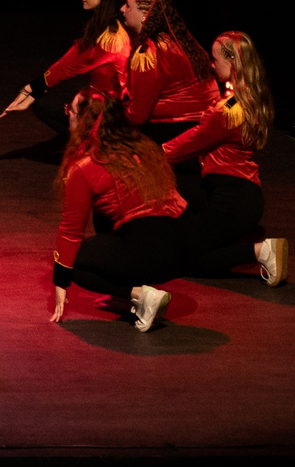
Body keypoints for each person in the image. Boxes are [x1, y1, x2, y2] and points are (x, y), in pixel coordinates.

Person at [51, 92, 192, 331]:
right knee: (112, 223)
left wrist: (60, 283)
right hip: (185, 247)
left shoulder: (88, 166)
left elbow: (70, 232)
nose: (67, 116)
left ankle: (140, 295)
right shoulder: (144, 149)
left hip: (151, 250)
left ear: (84, 121)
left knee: (77, 259)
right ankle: (131, 299)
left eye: (71, 111)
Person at [163, 30, 290, 284]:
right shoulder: (245, 100)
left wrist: (152, 156)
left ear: (232, 63)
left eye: (215, 59)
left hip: (232, 198)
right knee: (193, 254)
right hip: (237, 194)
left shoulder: (229, 110)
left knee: (183, 258)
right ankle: (257, 252)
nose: (211, 64)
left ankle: (260, 251)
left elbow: (193, 140)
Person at [123, 0, 218, 153]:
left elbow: (137, 116)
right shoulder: (181, 41)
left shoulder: (149, 53)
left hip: (177, 134)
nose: (122, 9)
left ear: (145, 15)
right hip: (207, 131)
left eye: (128, 6)